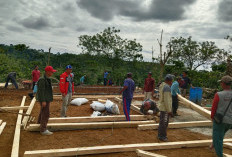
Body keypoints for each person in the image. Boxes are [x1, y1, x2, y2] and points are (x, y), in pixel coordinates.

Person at [211, 75, 232, 157]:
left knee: (218, 139)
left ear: (223, 83)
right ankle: (213, 144)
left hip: (220, 120)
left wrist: (212, 118)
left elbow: (214, 108)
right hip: (230, 121)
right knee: (220, 134)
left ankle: (219, 155)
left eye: (221, 82)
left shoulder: (219, 94)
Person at [36, 66, 56, 135]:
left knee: (43, 112)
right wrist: (43, 101)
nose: (52, 73)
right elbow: (41, 91)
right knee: (46, 114)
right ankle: (43, 129)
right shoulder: (42, 80)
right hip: (44, 99)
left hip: (47, 98)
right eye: (51, 71)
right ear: (47, 72)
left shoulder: (47, 79)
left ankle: (38, 124)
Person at [157, 74, 173, 142]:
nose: (172, 82)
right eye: (171, 80)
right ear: (169, 80)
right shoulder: (167, 87)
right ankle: (162, 136)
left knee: (162, 122)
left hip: (162, 106)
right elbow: (167, 100)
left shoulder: (162, 85)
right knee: (164, 123)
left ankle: (160, 135)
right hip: (165, 108)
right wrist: (169, 110)